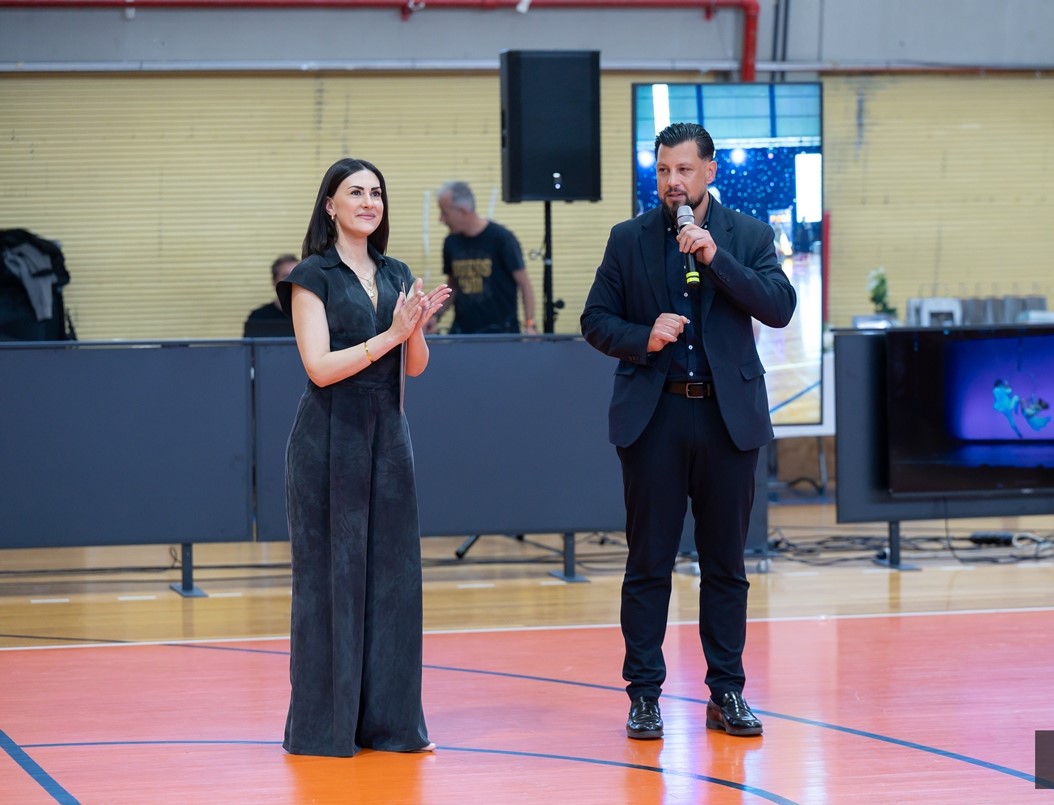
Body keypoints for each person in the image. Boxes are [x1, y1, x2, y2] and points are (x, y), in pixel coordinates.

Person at [581, 122, 797, 741]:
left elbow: (779, 307)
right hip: (657, 419)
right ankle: (644, 695)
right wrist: (643, 337)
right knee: (648, 563)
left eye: (683, 169)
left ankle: (726, 692)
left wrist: (714, 258)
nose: (672, 182)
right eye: (663, 171)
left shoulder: (748, 236)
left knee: (726, 566)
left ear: (709, 171)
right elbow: (595, 319)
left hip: (729, 420)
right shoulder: (628, 239)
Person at [276, 157, 451, 757]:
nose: (369, 202)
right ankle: (324, 729)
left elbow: (415, 366)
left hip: (389, 438)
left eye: (376, 192)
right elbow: (320, 368)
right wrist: (392, 335)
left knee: (395, 582)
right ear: (330, 205)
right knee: (330, 582)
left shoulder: (396, 272)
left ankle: (392, 725)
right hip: (329, 438)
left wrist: (416, 327)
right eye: (355, 192)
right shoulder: (311, 276)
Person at [429, 181, 538, 334]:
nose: (441, 219)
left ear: (463, 211)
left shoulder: (502, 239)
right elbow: (452, 286)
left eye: (445, 213)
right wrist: (435, 316)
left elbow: (524, 283)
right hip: (463, 333)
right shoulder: (451, 242)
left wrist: (530, 324)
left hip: (501, 333)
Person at [243, 254, 297, 338]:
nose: (292, 281)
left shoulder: (313, 315)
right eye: (286, 277)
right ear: (274, 282)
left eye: (297, 275)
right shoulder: (258, 318)